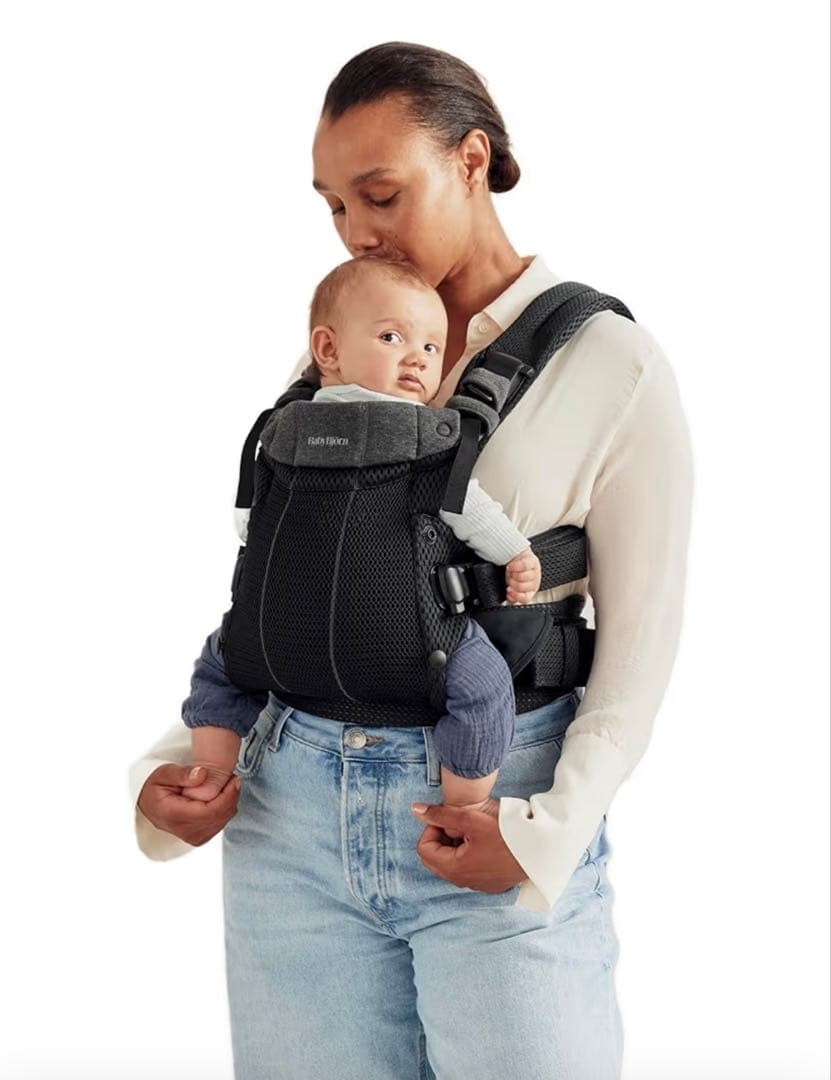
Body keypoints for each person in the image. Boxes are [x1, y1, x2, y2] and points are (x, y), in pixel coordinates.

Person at [129, 41, 693, 1080]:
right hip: (288, 817)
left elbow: (638, 654)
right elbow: (298, 587)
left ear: (470, 160)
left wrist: (545, 833)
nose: (356, 231)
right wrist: (182, 765)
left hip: (488, 804)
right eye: (334, 207)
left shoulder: (609, 364)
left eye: (380, 195)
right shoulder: (340, 351)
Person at [180, 253, 543, 843]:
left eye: (432, 347)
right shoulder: (431, 436)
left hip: (279, 629)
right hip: (414, 637)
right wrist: (516, 555)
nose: (416, 358)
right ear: (327, 349)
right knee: (483, 686)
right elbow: (467, 508)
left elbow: (250, 522)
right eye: (392, 337)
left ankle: (212, 770)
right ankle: (465, 806)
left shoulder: (279, 432)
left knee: (221, 664)